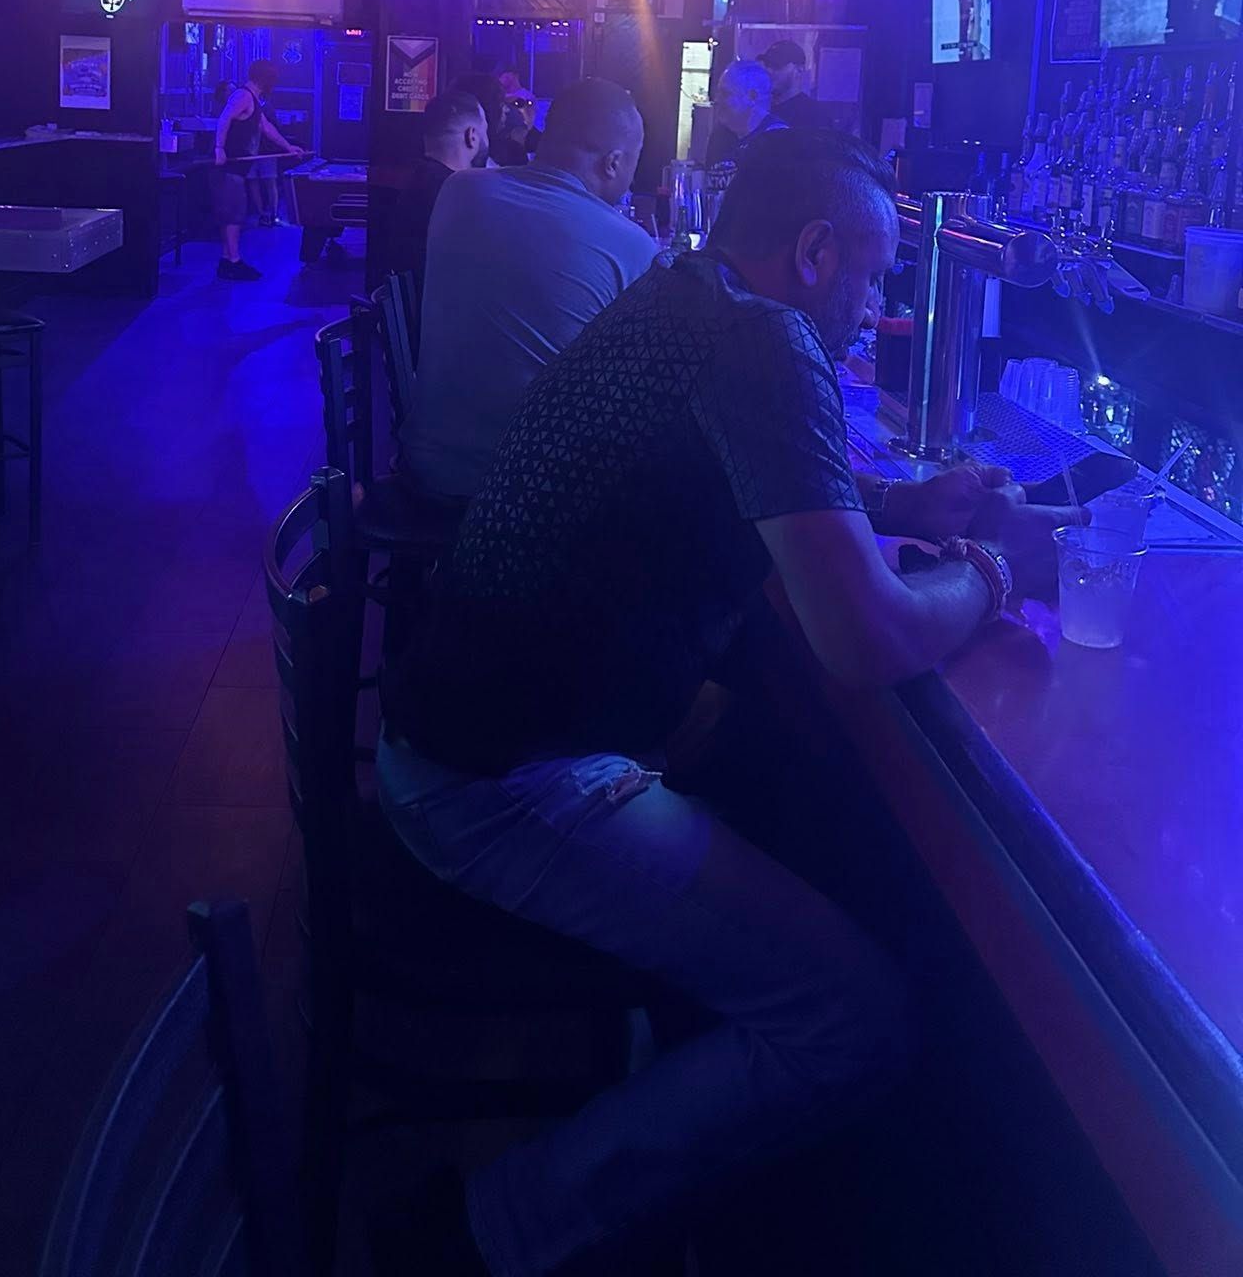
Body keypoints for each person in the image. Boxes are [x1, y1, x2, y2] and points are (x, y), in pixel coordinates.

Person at [376, 126, 1076, 1276]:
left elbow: (749, 469)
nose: (882, 296)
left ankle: (685, 1062)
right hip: (502, 785)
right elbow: (867, 636)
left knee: (777, 788)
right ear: (815, 253)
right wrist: (997, 571)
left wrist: (907, 498)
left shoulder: (683, 294)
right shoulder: (768, 343)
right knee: (858, 1019)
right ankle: (491, 1231)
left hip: (454, 730)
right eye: (878, 268)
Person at [400, 78, 654, 502]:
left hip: (429, 462)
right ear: (613, 163)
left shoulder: (458, 190)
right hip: (532, 495)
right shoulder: (632, 245)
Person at [381, 88, 489, 296]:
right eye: (486, 131)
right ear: (472, 137)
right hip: (448, 319)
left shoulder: (418, 182)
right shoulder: (459, 194)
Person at [211, 60, 302, 281]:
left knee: (231, 215)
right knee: (234, 216)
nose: (274, 84)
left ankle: (226, 260)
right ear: (265, 79)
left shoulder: (253, 99)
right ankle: (233, 262)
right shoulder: (242, 96)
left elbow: (266, 127)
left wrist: (288, 147)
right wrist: (219, 148)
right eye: (273, 79)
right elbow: (224, 119)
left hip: (238, 168)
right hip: (230, 166)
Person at [704, 58, 776, 172]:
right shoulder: (719, 136)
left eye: (725, 94)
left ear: (752, 97)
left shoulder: (777, 140)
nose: (717, 100)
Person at [757, 38, 828, 128]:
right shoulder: (759, 109)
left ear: (799, 69)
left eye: (777, 65)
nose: (769, 70)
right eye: (767, 64)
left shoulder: (814, 114)